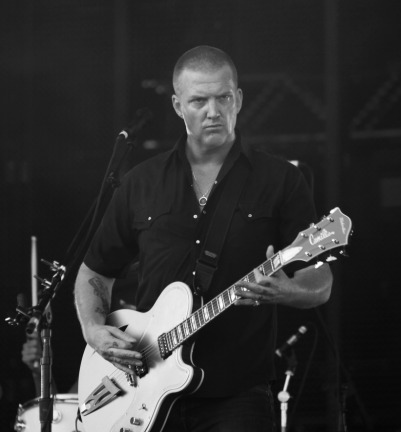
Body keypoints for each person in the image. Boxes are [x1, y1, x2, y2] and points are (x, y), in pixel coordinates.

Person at [74, 45, 333, 431]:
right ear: (178, 105)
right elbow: (94, 271)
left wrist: (287, 291)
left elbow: (321, 281)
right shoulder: (141, 182)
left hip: (238, 394)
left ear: (239, 99)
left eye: (223, 98)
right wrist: (95, 331)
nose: (213, 111)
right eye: (199, 101)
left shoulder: (280, 179)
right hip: (145, 389)